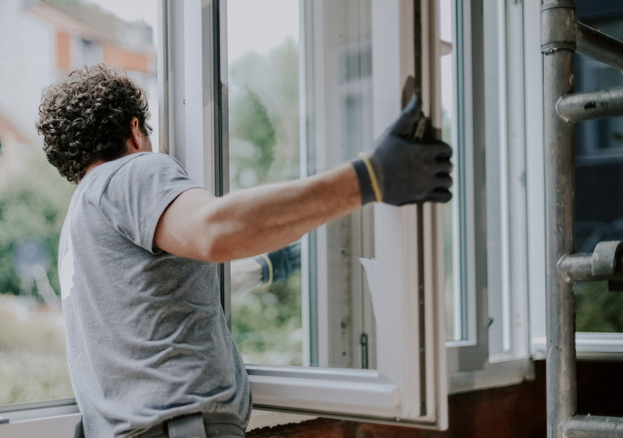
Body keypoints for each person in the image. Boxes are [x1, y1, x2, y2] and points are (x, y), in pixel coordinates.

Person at [36, 64, 452, 438]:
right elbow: (214, 230)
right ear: (134, 130)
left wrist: (271, 264)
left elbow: (155, 303)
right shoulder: (134, 171)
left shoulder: (79, 225)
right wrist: (371, 178)